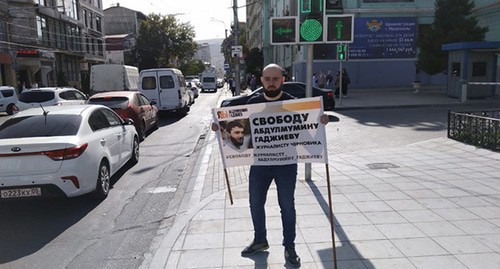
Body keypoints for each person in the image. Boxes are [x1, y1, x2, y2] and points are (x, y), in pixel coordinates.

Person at [212, 63, 329, 268]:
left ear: (283, 80)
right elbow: (238, 133)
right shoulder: (253, 104)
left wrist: (321, 121)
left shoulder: (294, 104)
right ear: (262, 81)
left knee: (287, 206)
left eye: (276, 79)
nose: (271, 83)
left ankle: (289, 246)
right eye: (267, 79)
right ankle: (260, 240)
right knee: (255, 204)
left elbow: (309, 133)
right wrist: (219, 128)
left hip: (286, 164)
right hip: (259, 164)